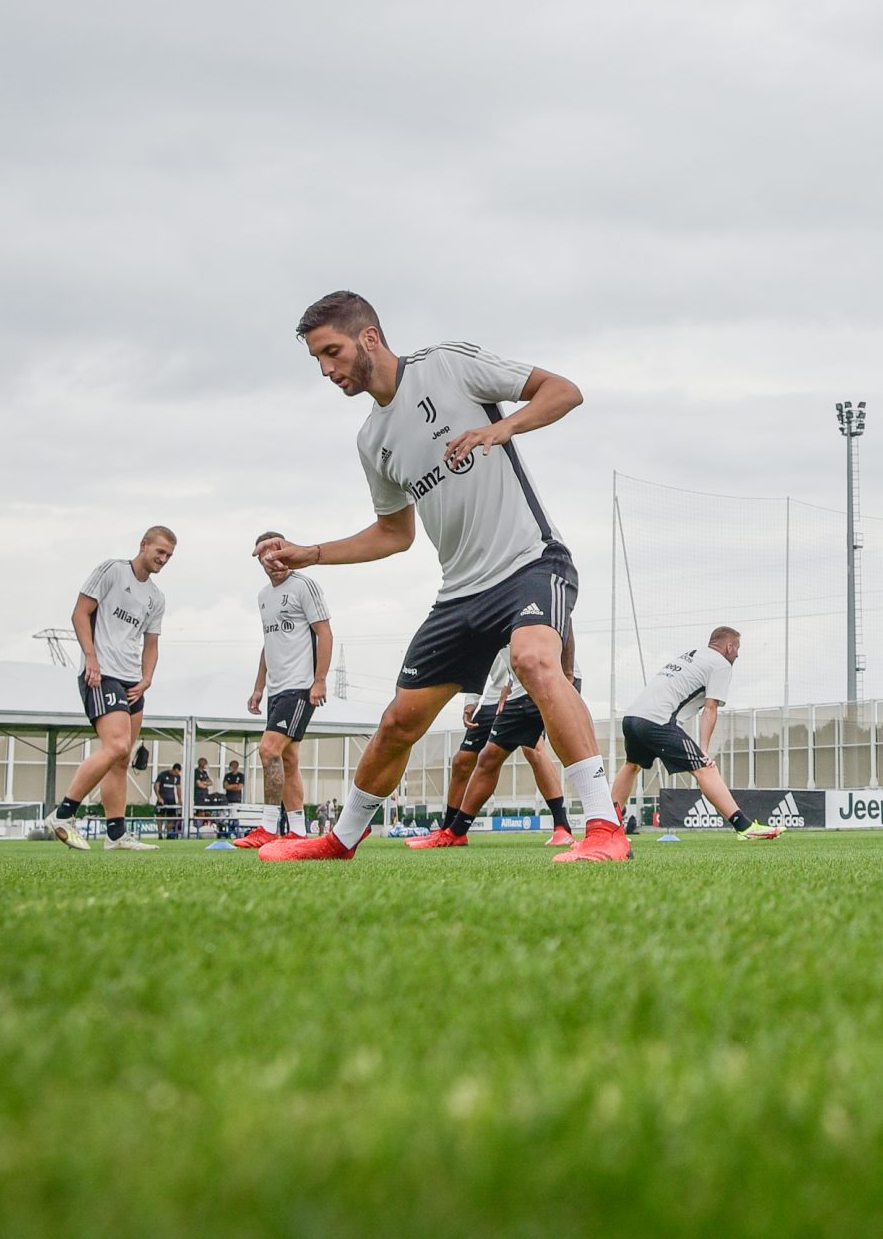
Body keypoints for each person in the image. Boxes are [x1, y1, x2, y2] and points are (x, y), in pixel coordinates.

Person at [254, 292, 625, 862]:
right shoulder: (372, 440)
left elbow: (563, 391)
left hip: (530, 561)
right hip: (459, 594)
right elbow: (394, 533)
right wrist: (312, 554)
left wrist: (503, 429)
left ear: (369, 338)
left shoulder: (447, 365)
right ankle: (340, 840)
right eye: (317, 360)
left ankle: (604, 828)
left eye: (332, 352)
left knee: (533, 661)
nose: (326, 370)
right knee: (399, 721)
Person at [48, 527, 175, 852]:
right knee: (116, 746)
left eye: (169, 556)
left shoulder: (156, 597)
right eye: (159, 552)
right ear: (144, 545)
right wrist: (91, 658)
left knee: (122, 758)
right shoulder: (112, 571)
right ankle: (63, 814)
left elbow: (151, 644)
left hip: (133, 681)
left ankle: (116, 835)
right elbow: (79, 613)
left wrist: (147, 679)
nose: (163, 559)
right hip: (102, 674)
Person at [610, 629, 780, 841]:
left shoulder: (694, 655)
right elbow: (710, 708)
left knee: (631, 765)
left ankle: (608, 828)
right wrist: (704, 750)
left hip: (632, 718)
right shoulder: (720, 664)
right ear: (729, 647)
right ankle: (745, 827)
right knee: (705, 768)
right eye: (737, 648)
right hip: (657, 720)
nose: (737, 654)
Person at [409, 643, 581, 848]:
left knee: (538, 749)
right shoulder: (485, 627)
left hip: (550, 681)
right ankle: (453, 831)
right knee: (486, 757)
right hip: (517, 690)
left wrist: (567, 673)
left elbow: (562, 630)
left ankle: (573, 827)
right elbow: (486, 659)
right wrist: (503, 685)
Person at [233, 533, 334, 847]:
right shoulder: (264, 596)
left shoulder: (304, 586)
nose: (276, 564)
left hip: (300, 687)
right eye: (269, 559)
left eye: (281, 555)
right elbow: (269, 644)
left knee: (268, 749)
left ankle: (267, 827)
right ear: (260, 561)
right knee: (288, 759)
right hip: (276, 690)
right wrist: (258, 688)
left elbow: (325, 633)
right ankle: (298, 832)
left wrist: (319, 680)